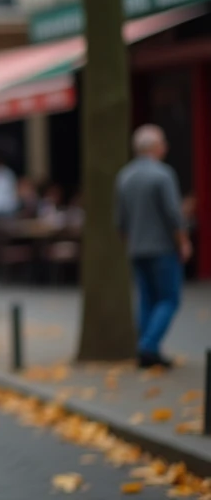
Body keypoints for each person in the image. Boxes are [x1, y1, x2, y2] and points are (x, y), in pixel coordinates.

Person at [116, 124, 192, 369]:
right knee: (169, 299)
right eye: (163, 143)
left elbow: (120, 222)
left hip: (136, 249)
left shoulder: (124, 176)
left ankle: (149, 351)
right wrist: (183, 242)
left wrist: (132, 242)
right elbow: (173, 214)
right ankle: (148, 345)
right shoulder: (163, 174)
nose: (166, 147)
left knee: (146, 300)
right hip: (162, 248)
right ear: (155, 147)